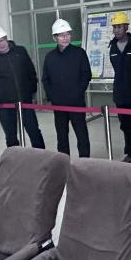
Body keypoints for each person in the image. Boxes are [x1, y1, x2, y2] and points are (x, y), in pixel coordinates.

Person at [0, 24, 44, 149]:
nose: (1, 44)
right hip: (5, 106)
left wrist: (33, 92)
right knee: (11, 136)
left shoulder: (20, 52)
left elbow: (31, 73)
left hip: (25, 101)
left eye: (2, 40)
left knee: (34, 131)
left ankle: (42, 156)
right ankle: (14, 158)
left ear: (7, 39)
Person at [41, 19, 92, 157]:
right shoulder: (50, 57)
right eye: (61, 35)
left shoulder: (79, 53)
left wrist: (78, 92)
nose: (65, 38)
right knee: (62, 136)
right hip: (59, 105)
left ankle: (84, 162)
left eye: (67, 34)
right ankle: (63, 162)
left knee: (82, 135)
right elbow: (45, 79)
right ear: (54, 38)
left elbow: (86, 75)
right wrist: (52, 97)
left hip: (76, 103)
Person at [108, 11, 131, 163]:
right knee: (126, 126)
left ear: (126, 27)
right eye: (114, 27)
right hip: (120, 94)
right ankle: (130, 153)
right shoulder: (112, 47)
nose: (116, 30)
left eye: (119, 26)